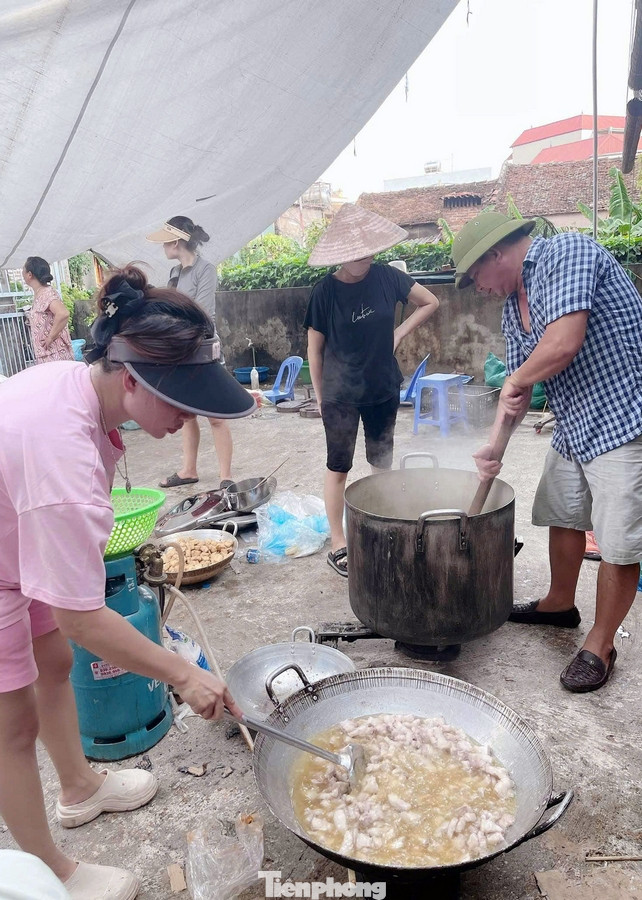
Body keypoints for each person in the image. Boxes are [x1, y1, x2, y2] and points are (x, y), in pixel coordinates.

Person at [0, 265, 253, 899]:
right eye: (182, 400)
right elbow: (82, 618)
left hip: (17, 530)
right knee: (11, 724)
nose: (189, 416)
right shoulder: (63, 458)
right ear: (132, 378)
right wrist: (184, 673)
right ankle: (50, 875)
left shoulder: (86, 387)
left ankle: (79, 787)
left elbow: (66, 627)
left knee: (53, 662)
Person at [452, 211, 642, 693]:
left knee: (617, 541)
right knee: (563, 513)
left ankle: (601, 644)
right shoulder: (512, 309)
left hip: (624, 419)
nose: (479, 289)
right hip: (574, 422)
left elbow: (562, 343)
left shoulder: (565, 252)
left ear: (496, 255)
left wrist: (517, 379)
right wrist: (494, 445)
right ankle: (560, 604)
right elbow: (519, 390)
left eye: (476, 278)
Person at [305, 203, 440, 577]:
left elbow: (430, 302)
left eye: (365, 247)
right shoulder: (324, 292)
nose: (361, 256)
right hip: (339, 393)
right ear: (338, 253)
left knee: (382, 463)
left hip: (382, 386)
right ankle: (338, 541)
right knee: (339, 466)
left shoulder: (388, 277)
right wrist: (319, 394)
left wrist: (398, 332)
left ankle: (382, 529)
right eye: (352, 250)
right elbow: (314, 350)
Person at [146, 217, 234, 489]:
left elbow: (204, 313)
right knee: (186, 415)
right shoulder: (175, 275)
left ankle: (226, 478)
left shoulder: (205, 269)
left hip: (204, 350)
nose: (163, 247)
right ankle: (188, 470)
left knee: (216, 417)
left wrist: (173, 323)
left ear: (176, 241)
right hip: (182, 351)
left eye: (165, 242)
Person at [23, 256, 74, 363]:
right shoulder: (40, 293)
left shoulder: (46, 293)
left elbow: (63, 313)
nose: (22, 274)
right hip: (47, 354)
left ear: (29, 274)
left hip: (55, 353)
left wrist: (50, 337)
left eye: (23, 271)